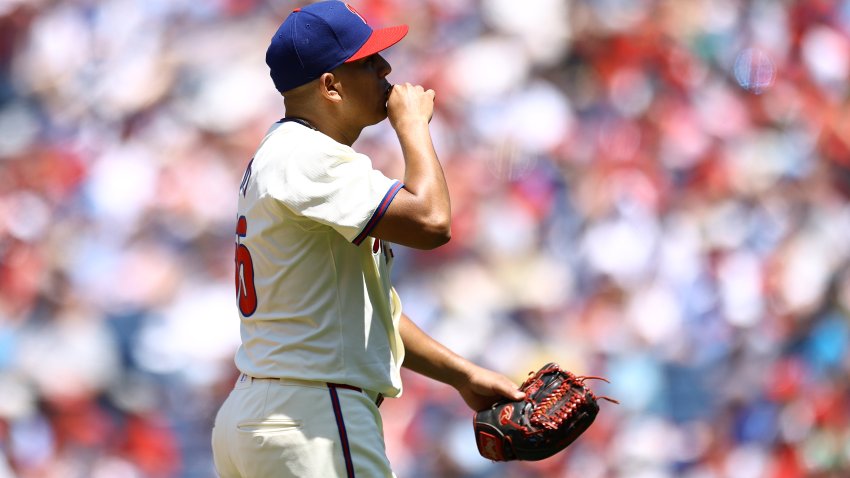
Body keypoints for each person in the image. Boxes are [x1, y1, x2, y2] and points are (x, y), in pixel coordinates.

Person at [210, 2, 525, 477]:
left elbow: (368, 312)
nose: (387, 70)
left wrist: (464, 375)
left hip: (270, 413)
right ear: (330, 85)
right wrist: (413, 126)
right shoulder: (306, 156)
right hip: (312, 417)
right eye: (367, 62)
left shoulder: (286, 154)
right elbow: (433, 222)